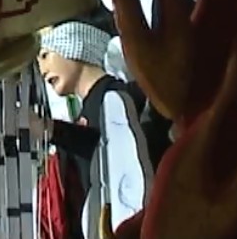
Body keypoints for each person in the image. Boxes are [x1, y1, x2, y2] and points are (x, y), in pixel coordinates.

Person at [36, 23, 160, 239]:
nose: (42, 69)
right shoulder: (84, 115)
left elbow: (110, 148)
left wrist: (52, 129)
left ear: (74, 44)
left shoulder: (124, 95)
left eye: (45, 55)